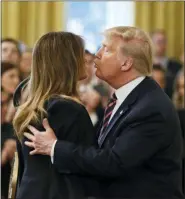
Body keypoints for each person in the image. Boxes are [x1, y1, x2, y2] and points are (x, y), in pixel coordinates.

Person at [23, 26, 184, 199]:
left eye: (106, 49)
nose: (97, 54)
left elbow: (115, 162)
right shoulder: (127, 98)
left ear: (126, 63)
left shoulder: (150, 107)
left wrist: (54, 147)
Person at [13, 31, 99, 199]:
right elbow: (88, 164)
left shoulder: (32, 107)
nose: (86, 59)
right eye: (80, 54)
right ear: (66, 61)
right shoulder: (68, 109)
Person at [151, 30, 182, 98]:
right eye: (159, 42)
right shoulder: (144, 67)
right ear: (151, 43)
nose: (162, 45)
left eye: (164, 41)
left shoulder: (177, 66)